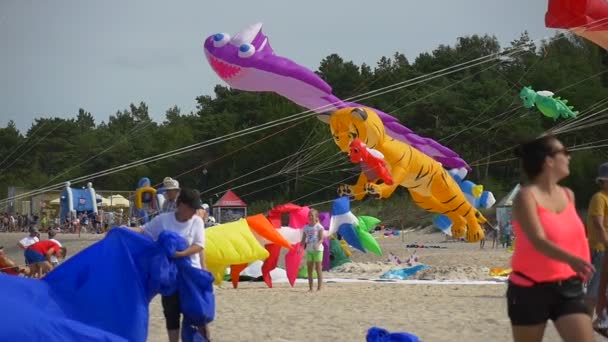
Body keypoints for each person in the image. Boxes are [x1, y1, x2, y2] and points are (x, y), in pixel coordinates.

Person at [508, 135, 595, 342]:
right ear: (549, 160)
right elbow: (538, 240)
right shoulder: (526, 196)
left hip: (568, 287)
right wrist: (572, 259)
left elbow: (576, 238)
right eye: (564, 152)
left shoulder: (568, 195)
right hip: (529, 289)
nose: (569, 157)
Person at [128, 188, 209, 342]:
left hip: (191, 275)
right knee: (171, 313)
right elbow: (144, 232)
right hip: (169, 276)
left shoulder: (197, 221)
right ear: (182, 205)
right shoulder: (163, 220)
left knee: (198, 313)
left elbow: (199, 245)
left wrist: (180, 254)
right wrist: (124, 230)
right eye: (192, 208)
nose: (194, 212)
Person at [585, 162, 608, 327]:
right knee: (596, 287)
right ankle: (586, 323)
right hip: (601, 249)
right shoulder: (599, 198)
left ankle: (599, 320)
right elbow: (598, 224)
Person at [300, 208, 324, 292]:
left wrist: (317, 244)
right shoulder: (306, 227)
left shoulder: (319, 226)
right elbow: (303, 239)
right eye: (309, 215)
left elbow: (321, 239)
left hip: (318, 250)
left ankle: (319, 288)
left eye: (312, 215)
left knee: (318, 269)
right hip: (309, 250)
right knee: (309, 269)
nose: (310, 217)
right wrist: (300, 246)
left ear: (316, 217)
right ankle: (310, 288)